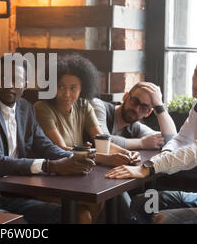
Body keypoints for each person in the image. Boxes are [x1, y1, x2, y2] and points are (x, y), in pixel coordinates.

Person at [0, 54, 96, 224]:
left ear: (25, 84)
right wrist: (49, 165)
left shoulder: (25, 109)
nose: (10, 84)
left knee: (79, 216)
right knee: (18, 225)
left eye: (17, 79)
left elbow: (44, 145)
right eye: (5, 78)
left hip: (12, 197)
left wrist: (74, 158)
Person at [106, 48, 197, 224]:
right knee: (142, 203)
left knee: (162, 219)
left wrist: (148, 167)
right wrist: (165, 155)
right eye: (196, 73)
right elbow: (181, 139)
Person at [33, 54, 141, 223]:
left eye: (73, 88)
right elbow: (60, 150)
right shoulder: (42, 108)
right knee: (85, 215)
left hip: (78, 178)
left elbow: (102, 141)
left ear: (83, 88)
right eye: (60, 86)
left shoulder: (83, 106)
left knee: (101, 203)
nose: (66, 94)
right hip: (51, 179)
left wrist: (128, 154)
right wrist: (107, 158)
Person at [91, 82, 177, 150]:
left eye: (144, 107)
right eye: (135, 101)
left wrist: (159, 106)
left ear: (148, 113)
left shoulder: (136, 128)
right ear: (125, 97)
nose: (136, 109)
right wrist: (141, 143)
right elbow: (102, 142)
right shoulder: (98, 106)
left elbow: (170, 142)